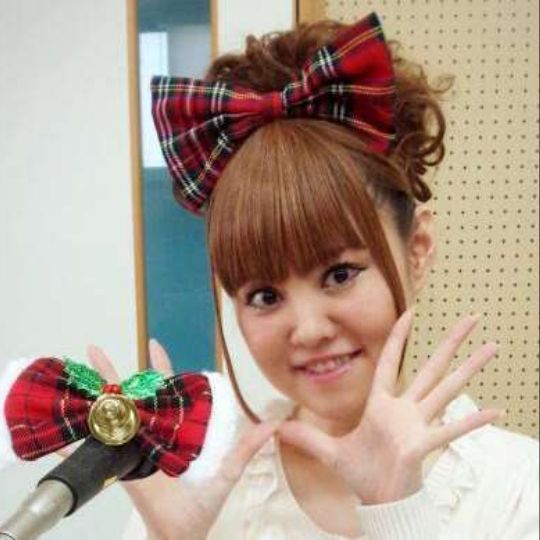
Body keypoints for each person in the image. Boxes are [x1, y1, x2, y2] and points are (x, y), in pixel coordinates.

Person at [6, 11, 533, 540]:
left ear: (417, 249)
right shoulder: (202, 486)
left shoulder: (516, 491)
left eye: (340, 274)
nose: (309, 330)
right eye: (263, 295)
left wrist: (398, 511)